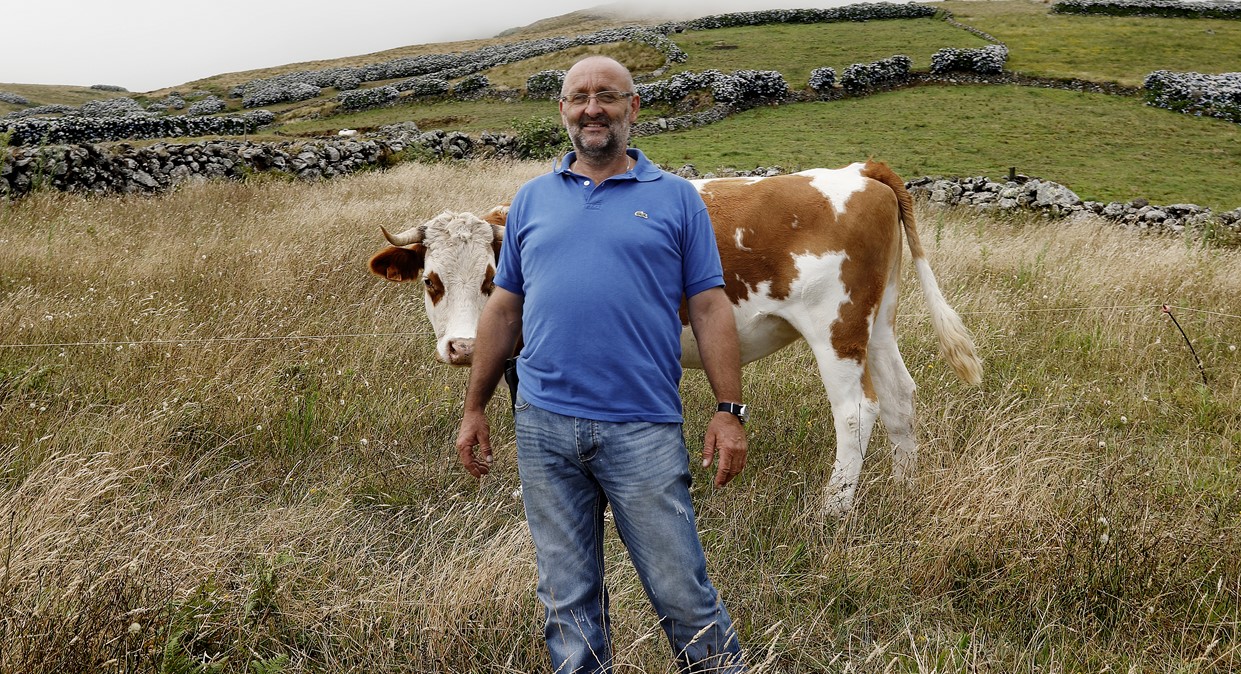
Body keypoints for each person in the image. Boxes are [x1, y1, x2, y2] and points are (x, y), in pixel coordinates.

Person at [454, 55, 749, 673]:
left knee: (681, 593)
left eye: (607, 96)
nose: (593, 109)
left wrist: (728, 410)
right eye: (579, 97)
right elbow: (504, 308)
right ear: (563, 110)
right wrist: (475, 406)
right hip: (542, 425)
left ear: (632, 108)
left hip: (641, 426)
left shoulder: (676, 199)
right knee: (566, 599)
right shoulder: (531, 200)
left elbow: (710, 306)